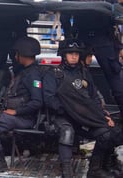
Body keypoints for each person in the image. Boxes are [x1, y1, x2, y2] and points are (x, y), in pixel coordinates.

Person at [43, 39, 117, 178]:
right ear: (64, 55)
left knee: (106, 133)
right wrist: (68, 110)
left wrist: (102, 116)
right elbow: (49, 99)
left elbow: (93, 97)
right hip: (62, 116)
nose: (74, 56)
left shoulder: (84, 73)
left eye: (76, 53)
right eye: (70, 53)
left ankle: (95, 169)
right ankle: (67, 172)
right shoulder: (53, 74)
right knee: (67, 132)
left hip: (84, 117)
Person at [60, 0, 123, 115]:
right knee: (114, 78)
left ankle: (76, 114)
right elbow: (116, 18)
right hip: (103, 40)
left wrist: (70, 38)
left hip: (80, 41)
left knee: (74, 77)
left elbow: (64, 19)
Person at [0, 36, 43, 174]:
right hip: (20, 116)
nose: (15, 56)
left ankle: (0, 160)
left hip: (26, 119)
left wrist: (16, 112)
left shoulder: (33, 75)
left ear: (22, 54)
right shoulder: (25, 72)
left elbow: (38, 102)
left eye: (17, 53)